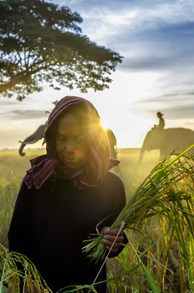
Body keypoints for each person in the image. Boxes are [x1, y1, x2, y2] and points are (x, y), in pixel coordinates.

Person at [8, 96, 128, 292]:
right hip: (40, 287)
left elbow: (117, 239)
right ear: (52, 137)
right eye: (62, 139)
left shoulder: (111, 186)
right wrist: (28, 280)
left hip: (88, 287)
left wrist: (115, 242)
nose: (70, 148)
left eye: (79, 140)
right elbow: (17, 238)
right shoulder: (37, 180)